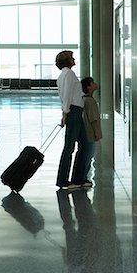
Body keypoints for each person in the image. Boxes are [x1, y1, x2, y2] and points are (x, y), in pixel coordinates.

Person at [55, 50, 89, 190]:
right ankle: (64, 180)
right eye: (72, 58)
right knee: (70, 147)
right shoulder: (69, 74)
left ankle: (78, 178)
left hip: (73, 111)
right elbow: (68, 95)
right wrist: (65, 113)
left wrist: (65, 112)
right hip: (74, 112)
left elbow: (65, 96)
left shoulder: (62, 75)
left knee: (83, 145)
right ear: (67, 61)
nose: (74, 59)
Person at [81, 77, 102, 186]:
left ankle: (82, 177)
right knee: (88, 156)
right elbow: (93, 119)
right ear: (88, 86)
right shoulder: (90, 101)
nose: (95, 84)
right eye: (93, 83)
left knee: (85, 155)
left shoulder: (84, 99)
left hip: (86, 132)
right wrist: (97, 132)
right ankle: (83, 178)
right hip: (90, 133)